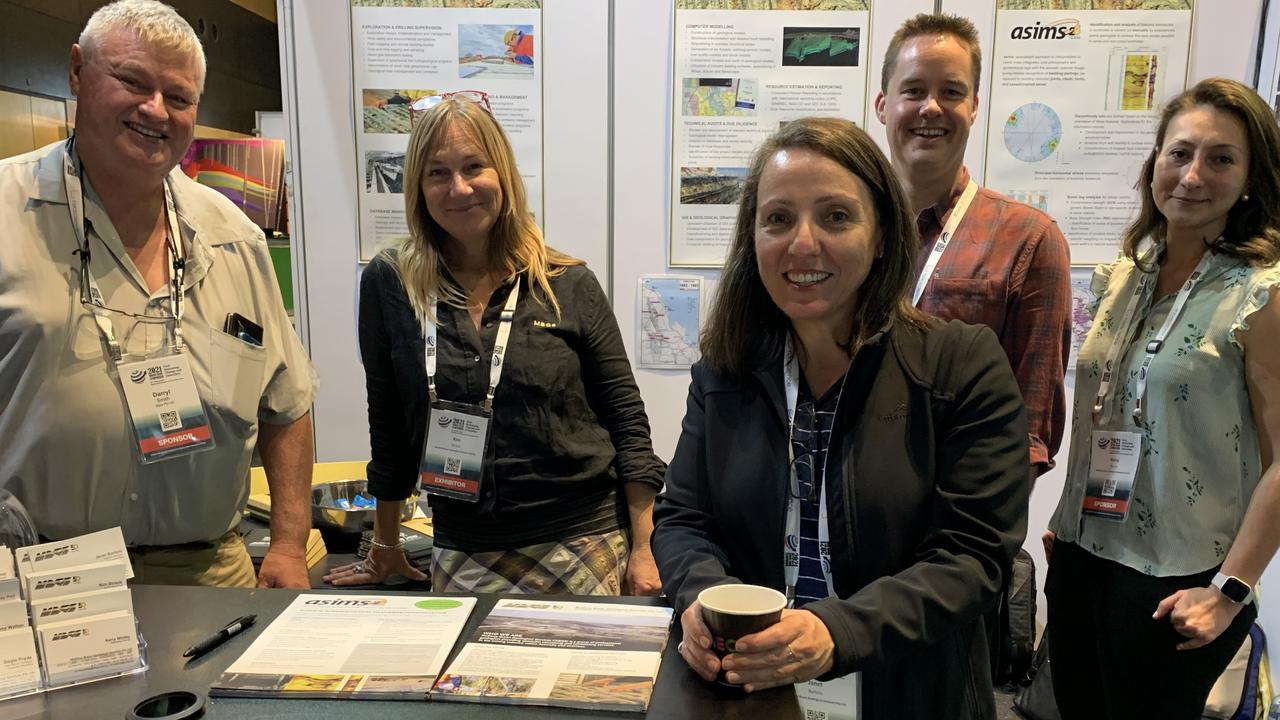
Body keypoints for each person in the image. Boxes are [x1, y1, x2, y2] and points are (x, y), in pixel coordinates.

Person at [651, 117, 1031, 720]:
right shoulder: (726, 369)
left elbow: (974, 556)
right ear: (752, 238)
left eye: (835, 217)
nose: (803, 244)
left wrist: (836, 631)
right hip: (755, 688)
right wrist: (701, 599)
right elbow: (683, 518)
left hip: (906, 692)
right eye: (778, 219)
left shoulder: (960, 365)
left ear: (881, 234)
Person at [0, 0, 316, 588]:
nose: (155, 110)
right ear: (77, 71)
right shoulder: (5, 214)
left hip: (212, 574)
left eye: (179, 97)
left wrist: (290, 544)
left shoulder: (234, 238)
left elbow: (286, 403)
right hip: (47, 581)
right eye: (131, 82)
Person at [325, 93, 664, 596]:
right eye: (437, 173)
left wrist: (645, 548)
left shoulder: (566, 282)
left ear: (502, 171)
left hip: (581, 541)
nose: (459, 188)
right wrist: (386, 543)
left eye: (473, 166)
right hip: (462, 545)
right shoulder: (391, 282)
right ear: (417, 186)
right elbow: (389, 424)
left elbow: (626, 420)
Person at [1045, 78, 1280, 719]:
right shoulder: (1124, 276)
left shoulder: (1262, 293)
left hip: (1181, 577)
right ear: (1154, 163)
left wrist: (1231, 589)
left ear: (1253, 177)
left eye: (1221, 158)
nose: (1193, 175)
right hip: (1082, 554)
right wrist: (1070, 523)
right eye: (1179, 153)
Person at [875, 13, 1071, 478]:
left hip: (956, 518)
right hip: (838, 512)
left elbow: (1029, 431)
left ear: (975, 107)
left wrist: (974, 542)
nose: (931, 107)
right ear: (884, 104)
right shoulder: (843, 232)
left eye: (951, 92)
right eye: (914, 90)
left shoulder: (1030, 240)